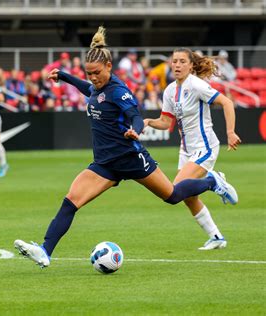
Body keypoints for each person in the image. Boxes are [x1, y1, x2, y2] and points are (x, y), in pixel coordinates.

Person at [14, 27, 238, 268]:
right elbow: (89, 89)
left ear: (109, 66)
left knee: (172, 196)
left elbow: (135, 116)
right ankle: (45, 251)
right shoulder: (97, 87)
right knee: (71, 201)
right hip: (105, 164)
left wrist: (136, 129)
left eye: (97, 73)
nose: (93, 77)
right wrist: (65, 77)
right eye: (89, 73)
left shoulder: (119, 91)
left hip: (131, 157)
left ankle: (212, 182)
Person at [144, 47, 241, 250]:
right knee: (188, 197)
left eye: (181, 61)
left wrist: (230, 132)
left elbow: (227, 102)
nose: (177, 65)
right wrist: (148, 122)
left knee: (174, 191)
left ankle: (213, 181)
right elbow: (165, 122)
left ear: (190, 65)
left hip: (204, 147)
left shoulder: (197, 85)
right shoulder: (170, 90)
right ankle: (216, 237)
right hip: (186, 150)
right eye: (174, 61)